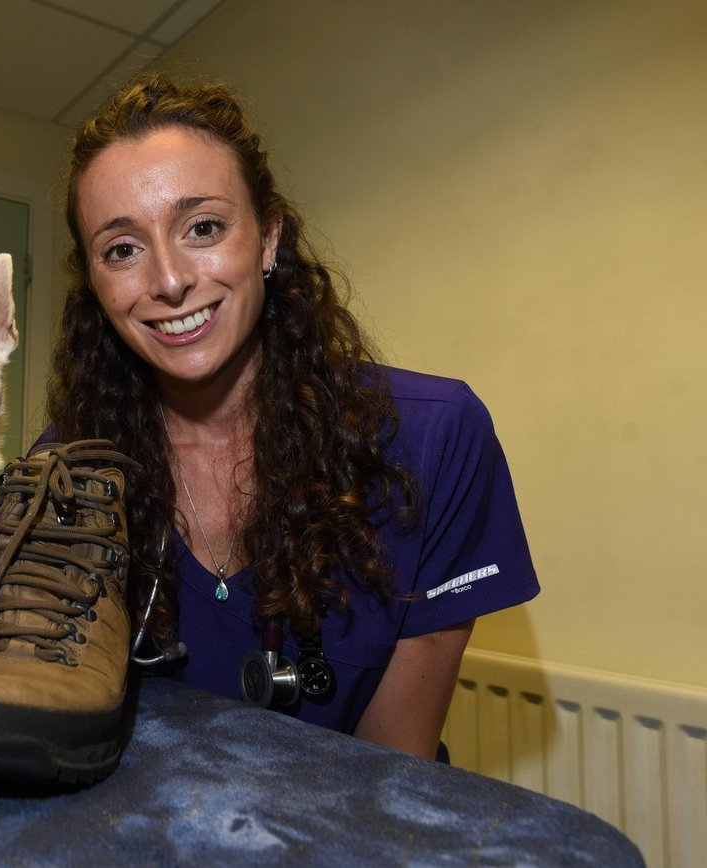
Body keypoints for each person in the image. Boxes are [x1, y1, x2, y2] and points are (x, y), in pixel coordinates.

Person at [45, 74, 540, 761]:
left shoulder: (433, 439)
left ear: (269, 239)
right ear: (95, 284)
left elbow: (392, 766)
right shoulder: (65, 473)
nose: (167, 280)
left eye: (204, 227)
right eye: (121, 249)